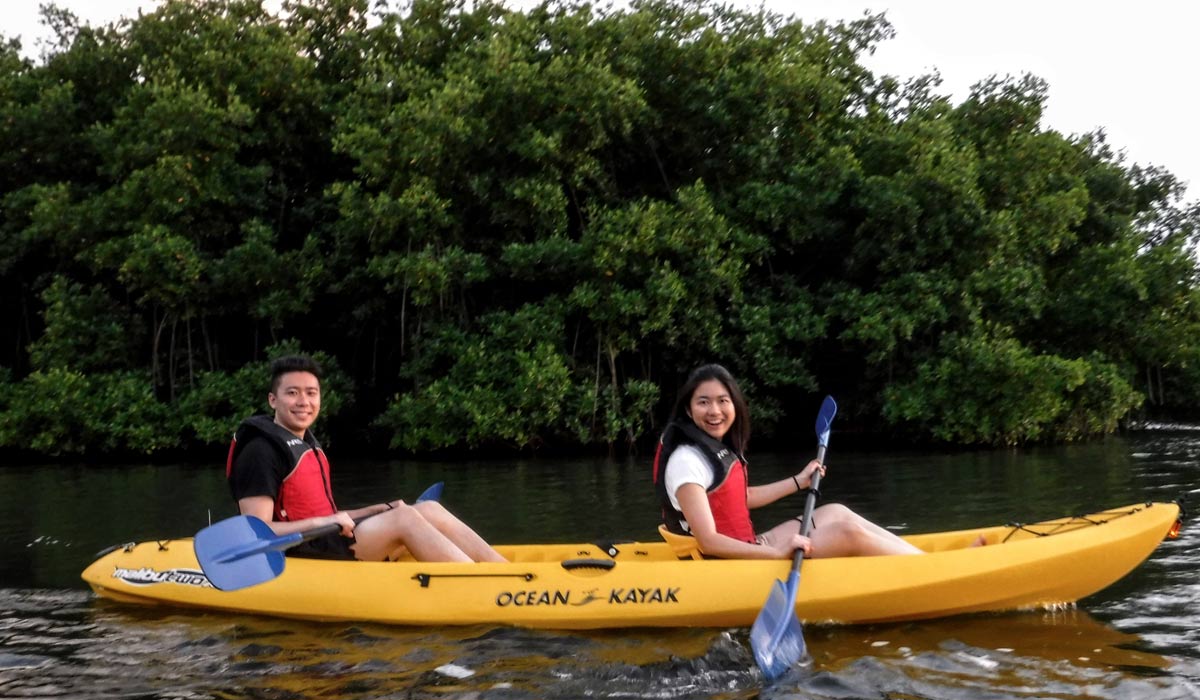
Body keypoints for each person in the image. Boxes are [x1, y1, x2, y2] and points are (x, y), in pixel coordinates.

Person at [227, 354, 506, 563]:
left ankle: (503, 572)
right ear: (273, 400)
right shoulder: (259, 452)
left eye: (311, 393)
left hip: (330, 539)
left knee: (427, 509)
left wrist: (379, 508)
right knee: (404, 519)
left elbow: (331, 517)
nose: (304, 401)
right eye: (292, 393)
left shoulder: (305, 444)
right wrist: (320, 524)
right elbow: (257, 532)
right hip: (302, 554)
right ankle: (479, 586)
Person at [652, 363, 932, 560]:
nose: (715, 410)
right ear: (688, 410)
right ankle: (928, 570)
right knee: (848, 533)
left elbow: (740, 497)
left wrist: (799, 481)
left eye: (723, 401)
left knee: (837, 512)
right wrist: (774, 553)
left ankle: (919, 558)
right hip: (724, 562)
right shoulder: (686, 461)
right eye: (703, 402)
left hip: (749, 547)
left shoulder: (713, 450)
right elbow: (709, 541)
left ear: (734, 405)